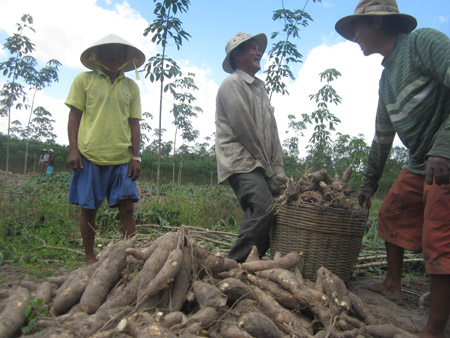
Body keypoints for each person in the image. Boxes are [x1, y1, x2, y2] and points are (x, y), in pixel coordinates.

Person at [335, 1, 450, 337]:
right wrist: (369, 183)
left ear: (379, 24)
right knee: (391, 212)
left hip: (444, 156)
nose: (354, 36)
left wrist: (444, 148)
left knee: (438, 235)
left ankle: (435, 327)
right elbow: (382, 137)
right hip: (422, 160)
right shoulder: (387, 79)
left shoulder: (423, 43)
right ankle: (392, 284)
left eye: (357, 27)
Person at [65, 34, 145, 265]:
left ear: (125, 58)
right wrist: (73, 150)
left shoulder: (131, 86)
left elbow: (134, 123)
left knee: (127, 208)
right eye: (108, 51)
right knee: (89, 208)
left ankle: (131, 256)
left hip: (122, 157)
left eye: (119, 52)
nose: (113, 56)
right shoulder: (84, 80)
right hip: (89, 155)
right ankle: (90, 257)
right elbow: (74, 116)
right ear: (97, 56)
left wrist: (136, 156)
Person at [215, 32, 287, 263]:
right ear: (237, 54)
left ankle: (251, 263)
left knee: (275, 211)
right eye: (253, 49)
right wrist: (268, 170)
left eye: (259, 49)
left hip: (261, 162)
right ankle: (232, 265)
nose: (259, 53)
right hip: (241, 160)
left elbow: (271, 132)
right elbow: (245, 129)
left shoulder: (260, 89)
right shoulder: (231, 85)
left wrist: (278, 169)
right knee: (264, 207)